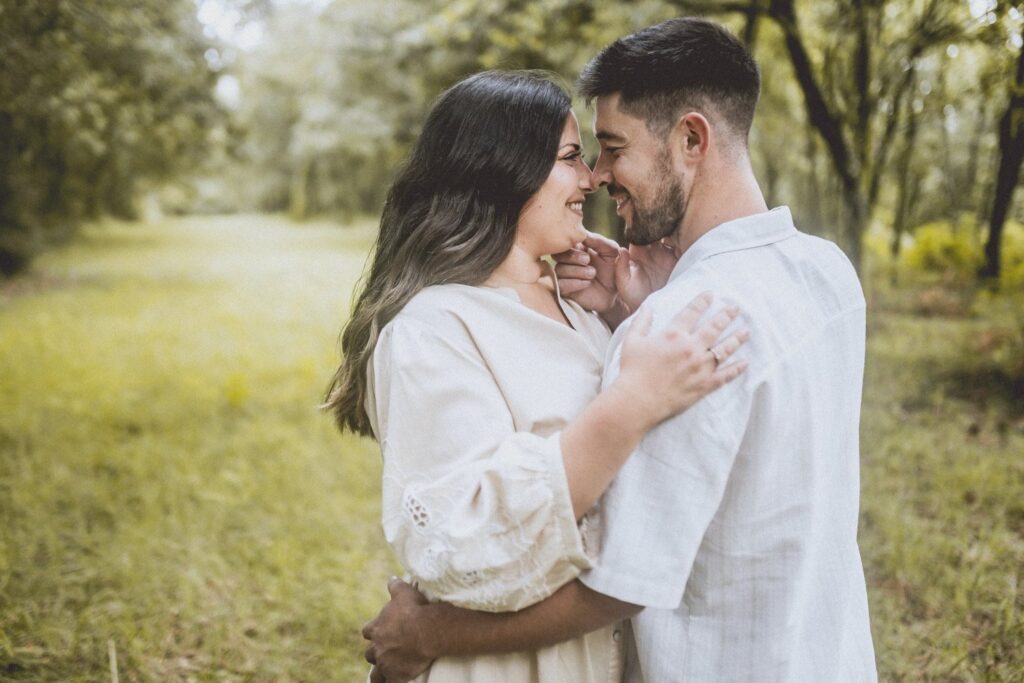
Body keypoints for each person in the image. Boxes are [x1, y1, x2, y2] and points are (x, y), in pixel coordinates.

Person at [361, 17, 878, 682]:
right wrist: (638, 303)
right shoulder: (827, 272)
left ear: (692, 139)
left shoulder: (673, 327)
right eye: (578, 155)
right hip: (828, 656)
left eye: (608, 147)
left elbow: (626, 578)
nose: (599, 176)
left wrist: (429, 631)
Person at [324, 69, 749, 682]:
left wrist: (638, 305)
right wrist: (631, 403)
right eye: (570, 157)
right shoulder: (434, 327)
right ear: (502, 173)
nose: (591, 178)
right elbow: (459, 541)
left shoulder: (581, 309)